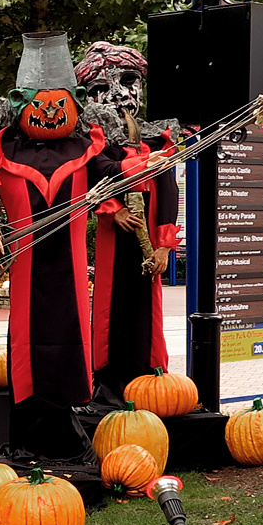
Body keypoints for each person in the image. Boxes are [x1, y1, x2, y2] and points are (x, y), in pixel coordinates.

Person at [0, 31, 155, 460]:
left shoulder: (84, 149)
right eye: (40, 103)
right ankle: (26, 437)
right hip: (24, 272)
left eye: (59, 103)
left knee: (68, 342)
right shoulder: (4, 150)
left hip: (70, 273)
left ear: (73, 104)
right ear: (22, 105)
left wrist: (145, 162)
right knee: (26, 347)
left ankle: (62, 433)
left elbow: (116, 170)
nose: (49, 111)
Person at [75, 41, 180, 405]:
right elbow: (96, 172)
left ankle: (146, 381)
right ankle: (107, 382)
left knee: (144, 308)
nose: (119, 94)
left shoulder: (158, 136)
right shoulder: (93, 139)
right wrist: (112, 208)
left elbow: (167, 187)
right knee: (109, 304)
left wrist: (165, 243)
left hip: (148, 232)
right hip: (114, 232)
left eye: (128, 81)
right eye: (102, 88)